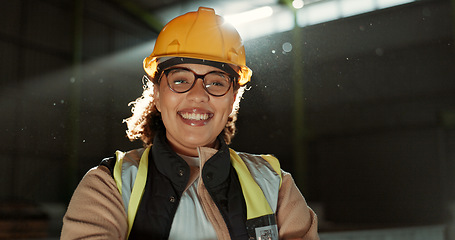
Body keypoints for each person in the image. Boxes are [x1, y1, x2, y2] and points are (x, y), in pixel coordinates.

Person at [61, 6, 319, 240]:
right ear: (158, 96)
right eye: (181, 80)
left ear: (232, 100)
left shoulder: (275, 184)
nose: (198, 95)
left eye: (216, 82)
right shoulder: (108, 185)